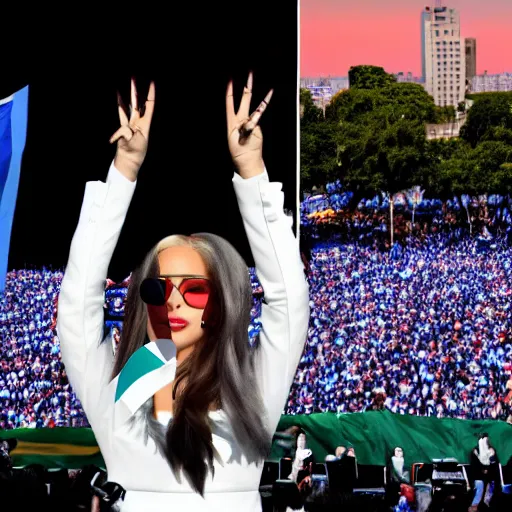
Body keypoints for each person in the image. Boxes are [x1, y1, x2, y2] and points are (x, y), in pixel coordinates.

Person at [56, 73, 310, 512]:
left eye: (194, 290)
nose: (172, 301)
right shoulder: (118, 398)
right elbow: (78, 305)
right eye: (158, 288)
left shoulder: (252, 395)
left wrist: (253, 173)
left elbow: (289, 303)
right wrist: (123, 172)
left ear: (223, 301)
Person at [468, 433, 499, 512]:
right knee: (480, 486)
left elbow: (493, 463)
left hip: (487, 474)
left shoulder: (491, 451)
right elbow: (474, 464)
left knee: (489, 486)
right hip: (479, 474)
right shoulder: (476, 451)